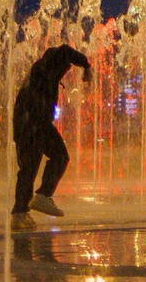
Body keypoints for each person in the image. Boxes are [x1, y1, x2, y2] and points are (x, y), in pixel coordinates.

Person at [12, 43, 91, 223]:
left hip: (24, 125)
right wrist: (86, 65)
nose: (65, 71)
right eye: (65, 67)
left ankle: (19, 214)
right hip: (36, 122)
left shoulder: (37, 73)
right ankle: (43, 196)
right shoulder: (46, 67)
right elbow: (65, 50)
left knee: (28, 169)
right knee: (60, 156)